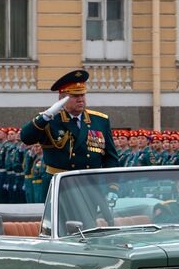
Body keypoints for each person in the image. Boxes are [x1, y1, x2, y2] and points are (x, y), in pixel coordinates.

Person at [19, 70, 120, 202]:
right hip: (60, 185)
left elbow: (110, 157)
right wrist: (45, 117)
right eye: (74, 95)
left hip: (90, 185)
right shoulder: (51, 119)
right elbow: (26, 138)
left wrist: (112, 187)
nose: (80, 99)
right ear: (62, 99)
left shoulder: (100, 120)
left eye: (82, 95)